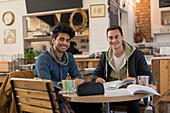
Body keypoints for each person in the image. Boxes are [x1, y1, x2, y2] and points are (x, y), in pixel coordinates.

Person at [35, 23, 101, 113]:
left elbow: (77, 76)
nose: (65, 43)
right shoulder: (43, 58)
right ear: (53, 40)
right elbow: (47, 84)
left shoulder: (69, 57)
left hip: (62, 97)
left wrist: (76, 81)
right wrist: (71, 84)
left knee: (94, 104)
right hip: (47, 100)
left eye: (67, 40)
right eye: (61, 39)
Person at [91, 25, 152, 113]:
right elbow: (94, 75)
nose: (114, 41)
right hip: (110, 93)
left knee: (132, 103)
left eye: (117, 37)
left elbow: (148, 76)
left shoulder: (136, 54)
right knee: (93, 104)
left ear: (122, 37)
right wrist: (97, 79)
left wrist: (135, 80)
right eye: (110, 38)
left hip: (130, 93)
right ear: (107, 39)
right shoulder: (104, 57)